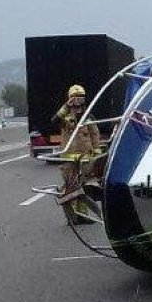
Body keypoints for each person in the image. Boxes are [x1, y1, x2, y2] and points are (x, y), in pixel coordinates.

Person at [52, 84, 101, 224]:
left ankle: (83, 215)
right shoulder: (65, 115)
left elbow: (95, 134)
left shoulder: (88, 115)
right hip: (69, 157)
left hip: (85, 157)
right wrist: (66, 106)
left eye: (80, 98)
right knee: (70, 187)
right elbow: (54, 121)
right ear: (69, 99)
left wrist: (96, 154)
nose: (77, 102)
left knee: (84, 187)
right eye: (75, 98)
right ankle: (72, 217)